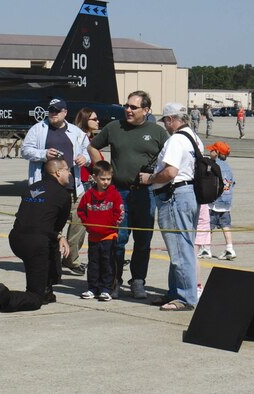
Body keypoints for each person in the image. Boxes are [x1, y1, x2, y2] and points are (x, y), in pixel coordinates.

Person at [88, 90, 168, 299]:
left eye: (133, 107)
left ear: (146, 110)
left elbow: (169, 159)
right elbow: (93, 146)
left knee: (143, 240)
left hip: (146, 194)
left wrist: (155, 176)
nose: (128, 110)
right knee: (119, 238)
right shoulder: (114, 127)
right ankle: (114, 281)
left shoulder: (157, 132)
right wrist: (102, 170)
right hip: (119, 193)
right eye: (127, 106)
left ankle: (138, 281)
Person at [0, 158, 72, 314]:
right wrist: (59, 236)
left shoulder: (32, 188)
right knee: (35, 298)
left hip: (16, 239)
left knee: (47, 248)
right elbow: (56, 227)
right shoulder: (63, 194)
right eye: (67, 170)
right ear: (58, 172)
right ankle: (6, 295)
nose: (69, 173)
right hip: (36, 243)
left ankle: (46, 290)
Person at [137, 102, 199, 311]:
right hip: (189, 194)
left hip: (174, 196)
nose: (165, 125)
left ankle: (185, 297)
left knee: (180, 249)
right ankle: (175, 292)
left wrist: (149, 179)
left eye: (165, 120)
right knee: (181, 246)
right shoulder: (194, 138)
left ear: (171, 119)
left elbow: (171, 172)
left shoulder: (176, 140)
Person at [21, 98, 90, 275]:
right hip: (44, 187)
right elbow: (25, 150)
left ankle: (70, 258)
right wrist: (44, 154)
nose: (53, 113)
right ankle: (48, 258)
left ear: (65, 112)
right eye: (51, 110)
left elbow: (87, 151)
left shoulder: (76, 132)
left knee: (79, 222)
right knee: (48, 225)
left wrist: (85, 159)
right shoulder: (38, 129)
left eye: (57, 110)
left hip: (73, 188)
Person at [64, 107, 104, 273]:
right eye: (94, 119)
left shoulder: (90, 138)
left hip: (87, 185)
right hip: (81, 184)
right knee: (78, 224)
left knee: (81, 225)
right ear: (85, 120)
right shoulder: (79, 137)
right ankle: (70, 259)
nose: (98, 121)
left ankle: (71, 257)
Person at [77, 160, 124, 302]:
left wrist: (111, 225)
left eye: (108, 179)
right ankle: (92, 288)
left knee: (108, 263)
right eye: (102, 179)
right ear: (94, 177)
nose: (105, 182)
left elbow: (119, 213)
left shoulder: (114, 195)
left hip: (109, 235)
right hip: (93, 236)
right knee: (93, 264)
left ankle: (106, 289)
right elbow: (81, 211)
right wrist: (88, 225)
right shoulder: (88, 195)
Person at [206, 141, 236, 260]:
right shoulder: (227, 167)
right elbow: (233, 183)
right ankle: (230, 248)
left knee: (208, 226)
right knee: (226, 226)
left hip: (215, 202)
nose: (209, 152)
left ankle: (206, 248)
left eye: (212, 150)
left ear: (217, 153)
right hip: (226, 202)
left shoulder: (214, 165)